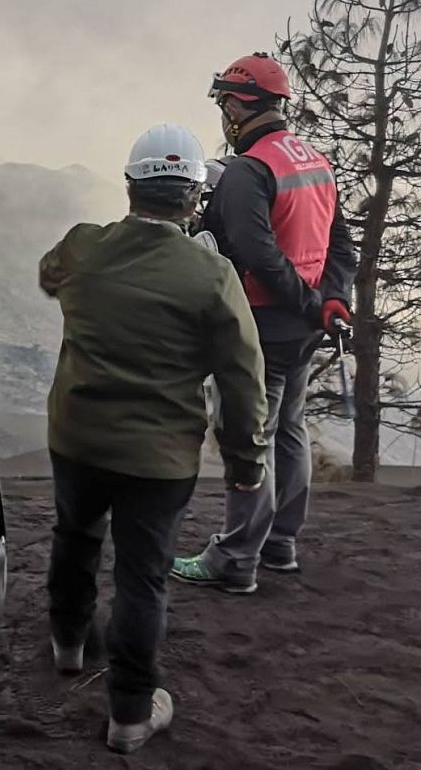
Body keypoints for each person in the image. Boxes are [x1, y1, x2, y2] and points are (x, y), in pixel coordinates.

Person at [40, 124, 270, 754]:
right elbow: (242, 378)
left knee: (75, 536)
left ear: (129, 187)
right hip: (160, 458)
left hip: (78, 437)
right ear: (196, 196)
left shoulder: (84, 247)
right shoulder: (212, 275)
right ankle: (132, 713)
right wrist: (246, 462)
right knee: (143, 577)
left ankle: (66, 644)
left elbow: (49, 275)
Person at [172, 53, 358, 595]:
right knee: (290, 428)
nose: (223, 114)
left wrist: (305, 302)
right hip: (304, 328)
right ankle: (279, 544)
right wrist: (331, 301)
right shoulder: (314, 161)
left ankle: (235, 559)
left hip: (262, 324)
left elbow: (256, 254)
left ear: (238, 105)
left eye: (225, 102)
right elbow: (339, 244)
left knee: (249, 434)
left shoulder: (248, 171)